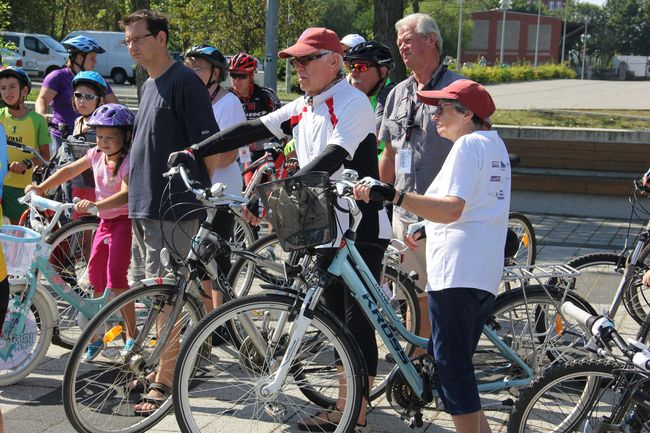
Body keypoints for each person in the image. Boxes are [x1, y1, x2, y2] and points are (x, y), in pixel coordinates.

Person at [168, 27, 392, 433]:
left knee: (353, 316)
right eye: (294, 61)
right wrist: (195, 150)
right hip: (323, 222)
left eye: (306, 60)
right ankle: (346, 404)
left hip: (360, 224)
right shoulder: (307, 104)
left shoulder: (352, 102)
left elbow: (330, 158)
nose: (297, 67)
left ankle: (353, 409)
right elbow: (253, 129)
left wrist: (273, 197)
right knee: (328, 316)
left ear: (333, 61)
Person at [354, 79, 510, 433]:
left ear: (467, 113)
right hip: (481, 273)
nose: (434, 114)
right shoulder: (493, 144)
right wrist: (426, 224)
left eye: (443, 108)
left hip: (456, 273)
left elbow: (453, 208)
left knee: (451, 372)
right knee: (457, 368)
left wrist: (394, 196)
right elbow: (475, 207)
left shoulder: (468, 146)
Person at [120, 9, 219, 416]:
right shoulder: (148, 85)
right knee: (151, 294)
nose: (131, 46)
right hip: (143, 207)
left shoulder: (184, 83)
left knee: (169, 300)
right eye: (127, 41)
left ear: (161, 38)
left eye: (138, 38)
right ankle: (162, 366)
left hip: (174, 208)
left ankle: (165, 380)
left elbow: (209, 147)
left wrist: (196, 197)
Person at [25, 103, 136, 360]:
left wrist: (97, 205)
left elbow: (126, 194)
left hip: (123, 224)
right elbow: (69, 170)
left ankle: (132, 335)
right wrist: (41, 188)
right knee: (95, 279)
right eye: (99, 136)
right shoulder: (95, 154)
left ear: (126, 137)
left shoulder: (127, 162)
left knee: (116, 280)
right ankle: (98, 334)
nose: (103, 142)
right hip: (104, 224)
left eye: (110, 137)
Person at [378, 12, 464, 340]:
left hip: (443, 214)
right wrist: (380, 200)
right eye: (399, 41)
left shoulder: (457, 90)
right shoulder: (397, 94)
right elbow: (389, 152)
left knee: (438, 296)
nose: (401, 46)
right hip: (404, 212)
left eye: (408, 39)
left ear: (432, 41)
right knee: (412, 295)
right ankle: (420, 359)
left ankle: (430, 360)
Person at [183, 43, 245, 309]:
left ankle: (223, 318)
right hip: (196, 191)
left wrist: (194, 160)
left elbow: (229, 155)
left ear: (216, 74)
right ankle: (208, 319)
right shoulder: (190, 99)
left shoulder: (228, 104)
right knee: (196, 261)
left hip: (220, 193)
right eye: (189, 67)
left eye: (199, 68)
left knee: (217, 263)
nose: (192, 72)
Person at [35, 35, 118, 156]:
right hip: (61, 136)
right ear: (79, 58)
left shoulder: (97, 80)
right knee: (59, 168)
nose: (95, 62)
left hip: (89, 137)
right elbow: (42, 99)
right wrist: (41, 115)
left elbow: (114, 106)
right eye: (92, 58)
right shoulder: (58, 76)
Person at [0, 67, 50, 224]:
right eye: (2, 88)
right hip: (1, 183)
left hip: (21, 187)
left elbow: (45, 157)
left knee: (17, 232)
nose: (7, 91)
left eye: (12, 86)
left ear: (24, 90)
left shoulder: (37, 121)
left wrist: (26, 163)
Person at [228, 52, 281, 166]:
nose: (236, 80)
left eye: (242, 76)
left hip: (267, 150)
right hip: (238, 153)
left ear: (251, 77)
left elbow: (282, 123)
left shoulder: (266, 95)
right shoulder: (227, 98)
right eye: (233, 75)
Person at [343, 41, 396, 156]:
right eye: (352, 67)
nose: (353, 73)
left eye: (360, 67)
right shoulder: (355, 94)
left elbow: (374, 138)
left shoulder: (390, 93)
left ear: (382, 71)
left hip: (383, 167)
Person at [69, 71, 110, 207]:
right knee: (77, 220)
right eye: (78, 95)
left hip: (97, 183)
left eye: (89, 97)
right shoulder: (78, 121)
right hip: (78, 181)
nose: (82, 100)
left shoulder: (102, 125)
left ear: (100, 100)